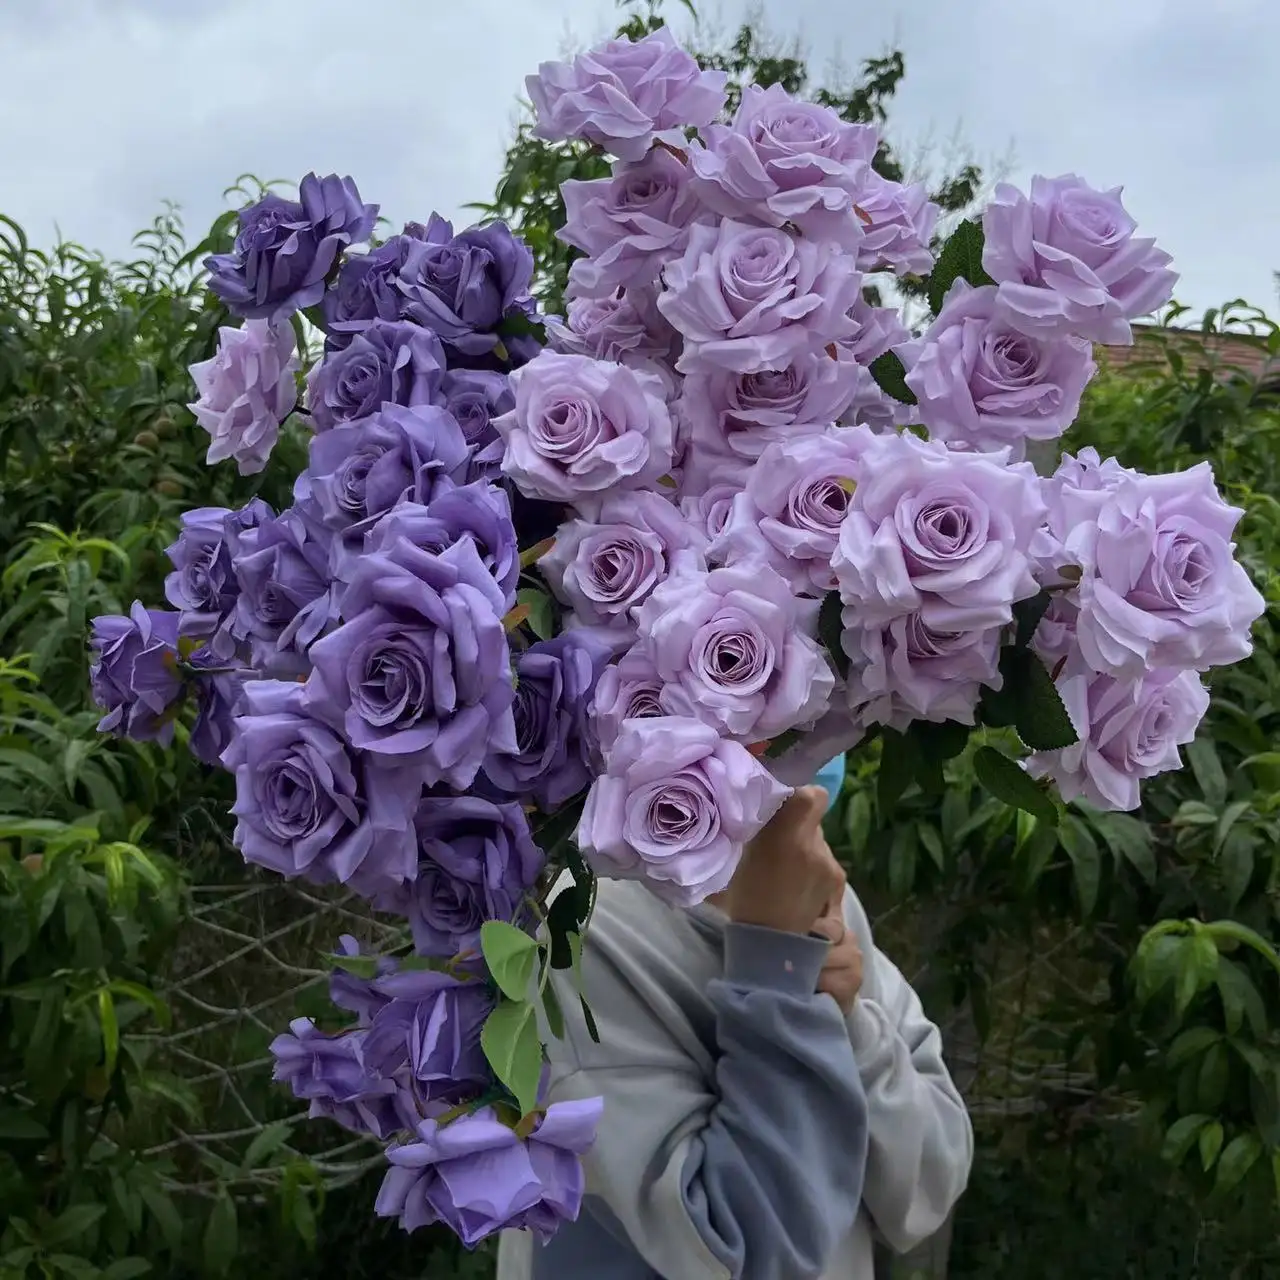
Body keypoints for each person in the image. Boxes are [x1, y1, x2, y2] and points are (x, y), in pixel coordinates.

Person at [496, 755, 973, 1280]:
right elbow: (744, 1251)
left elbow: (930, 1185)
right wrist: (776, 970)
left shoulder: (821, 892)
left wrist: (851, 1025)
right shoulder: (581, 931)